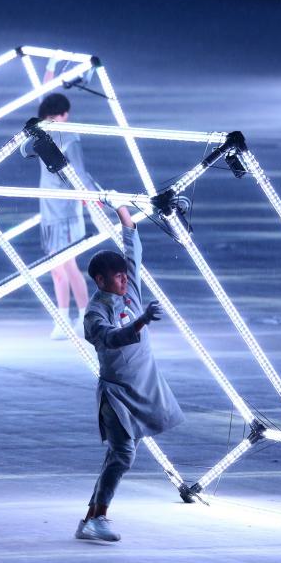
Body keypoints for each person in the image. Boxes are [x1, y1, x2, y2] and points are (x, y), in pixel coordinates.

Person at [76, 204, 185, 542]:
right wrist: (140, 322)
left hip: (144, 388)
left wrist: (122, 211)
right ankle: (99, 516)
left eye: (126, 275)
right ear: (100, 280)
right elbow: (111, 338)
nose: (125, 280)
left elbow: (132, 250)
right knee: (123, 455)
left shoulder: (130, 289)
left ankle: (91, 518)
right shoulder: (95, 313)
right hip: (118, 397)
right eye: (119, 277)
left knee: (118, 455)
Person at [21, 93, 98, 340]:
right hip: (49, 208)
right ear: (63, 113)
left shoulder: (68, 136)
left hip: (65, 209)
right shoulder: (43, 134)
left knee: (68, 265)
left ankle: (85, 318)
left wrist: (89, 196)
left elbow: (80, 172)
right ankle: (63, 318)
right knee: (57, 267)